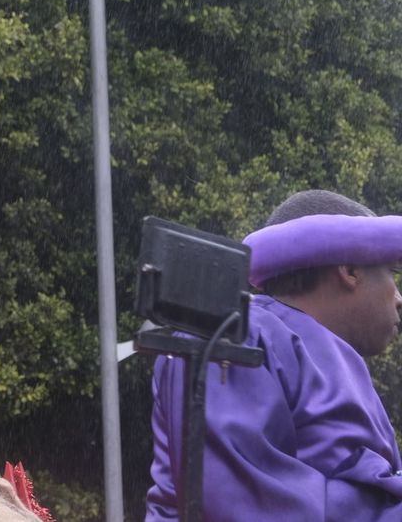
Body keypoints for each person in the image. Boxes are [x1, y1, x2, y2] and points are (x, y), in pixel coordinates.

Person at [145, 189, 402, 520]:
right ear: (350, 269)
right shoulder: (240, 334)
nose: (399, 298)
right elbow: (243, 504)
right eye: (393, 274)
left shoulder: (331, 354)